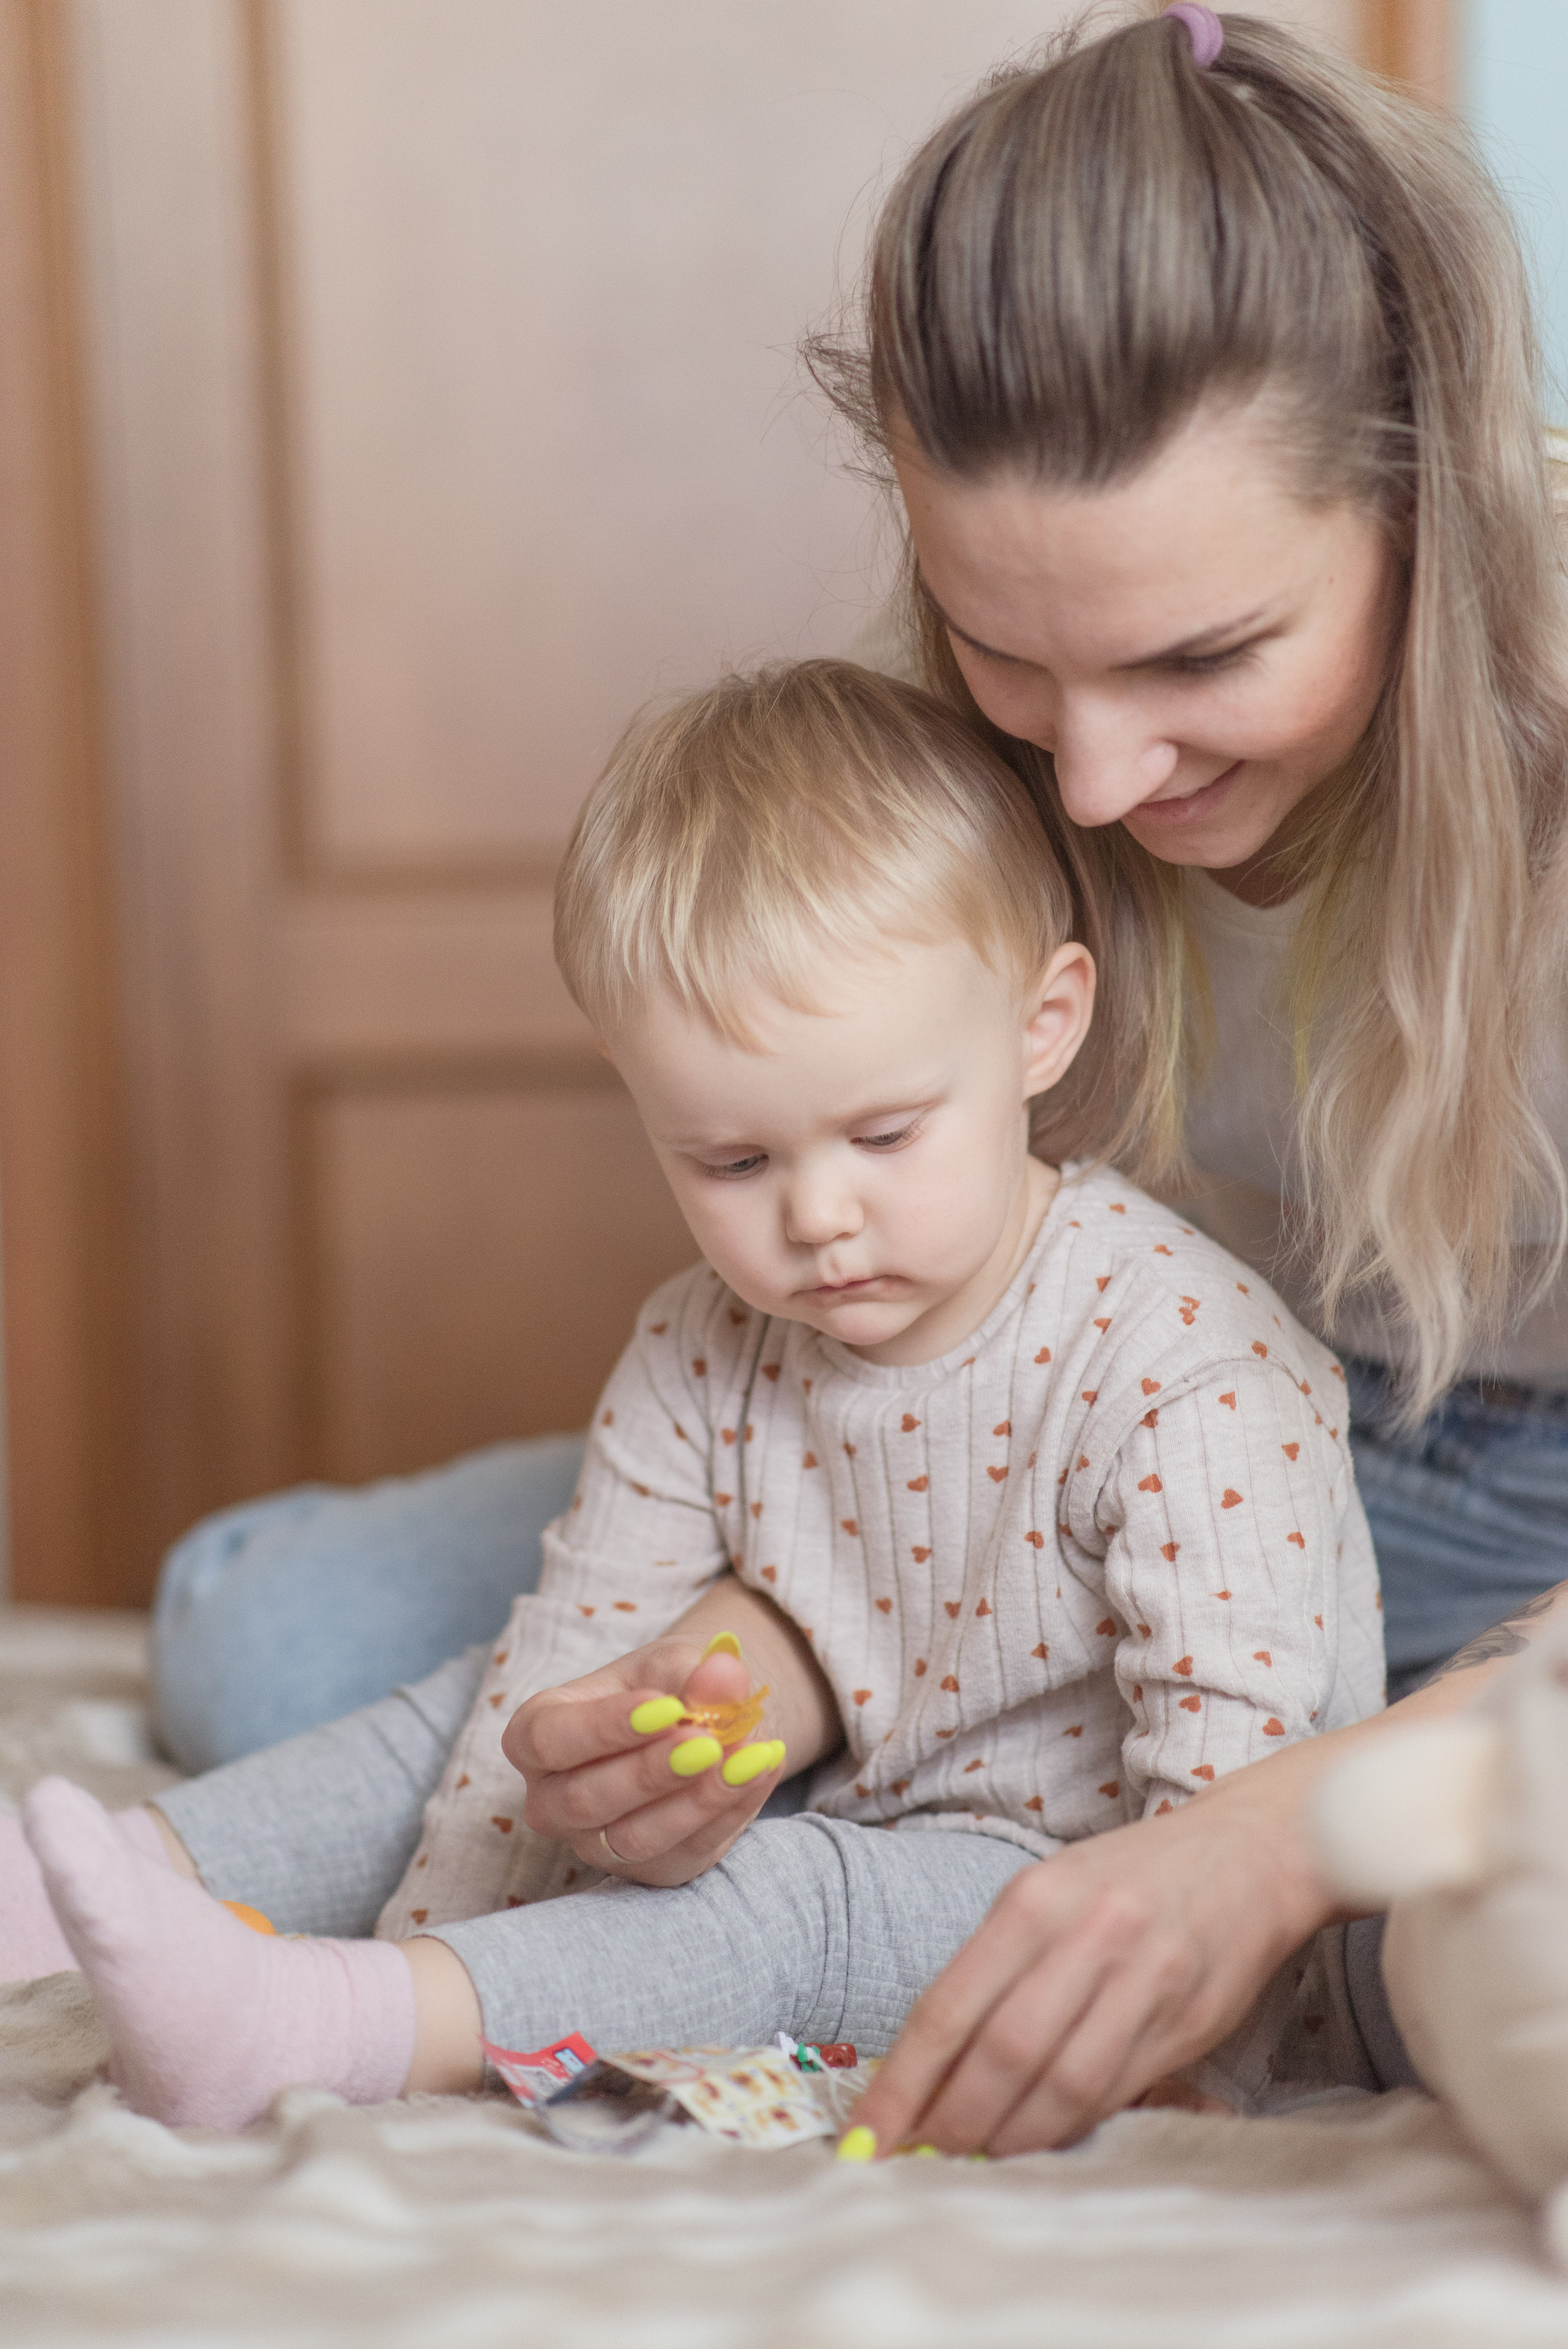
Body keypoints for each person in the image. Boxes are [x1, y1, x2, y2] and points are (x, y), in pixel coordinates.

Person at [141, 4, 1568, 2152]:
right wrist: (800, 1634)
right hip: (1068, 1437)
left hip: (1523, 1526)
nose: (1092, 771)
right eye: (1011, 654)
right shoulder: (1008, 761)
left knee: (1424, 1930)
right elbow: (977, 1305)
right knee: (282, 1648)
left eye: (1203, 660)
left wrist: (1275, 1828)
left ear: (1428, 507)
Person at [7, 659, 1381, 2130]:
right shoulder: (700, 1340)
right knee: (488, 1706)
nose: (817, 1219)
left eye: (884, 1132)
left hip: (1091, 1909)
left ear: (1040, 1026)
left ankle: (329, 2028)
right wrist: (471, 1899)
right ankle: (74, 1888)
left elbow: (1232, 1792)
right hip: (849, 1791)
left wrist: (1157, 2049)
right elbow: (569, 1658)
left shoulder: (1178, 1360)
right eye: (733, 1161)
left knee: (778, 1904)